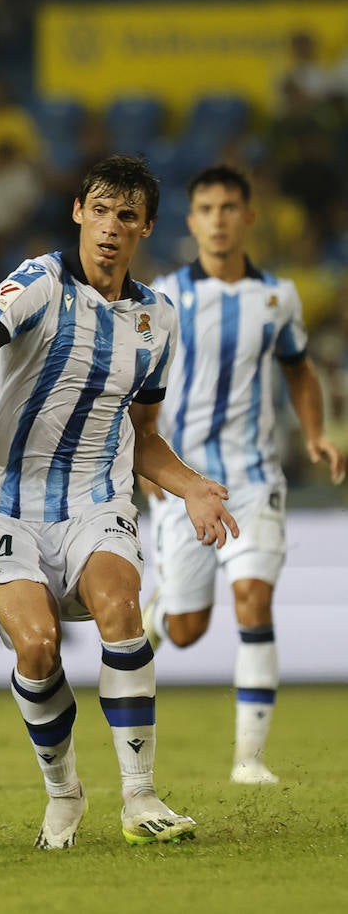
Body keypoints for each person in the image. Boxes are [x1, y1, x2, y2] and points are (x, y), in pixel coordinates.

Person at [0, 155, 239, 849]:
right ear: (78, 212)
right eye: (100, 210)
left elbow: (144, 435)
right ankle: (64, 792)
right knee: (36, 648)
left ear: (146, 227)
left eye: (127, 216)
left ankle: (141, 797)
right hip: (7, 506)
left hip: (97, 499)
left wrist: (191, 488)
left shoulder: (158, 320)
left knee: (123, 610)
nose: (111, 227)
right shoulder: (39, 282)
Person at [142, 165, 345, 785]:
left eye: (231, 207)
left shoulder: (278, 297)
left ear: (248, 217)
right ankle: (159, 616)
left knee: (254, 602)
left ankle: (248, 759)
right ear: (193, 219)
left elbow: (299, 371)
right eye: (208, 207)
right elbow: (141, 385)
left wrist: (317, 431)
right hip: (183, 481)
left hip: (255, 480)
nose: (220, 218)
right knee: (188, 627)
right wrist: (143, 460)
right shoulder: (166, 295)